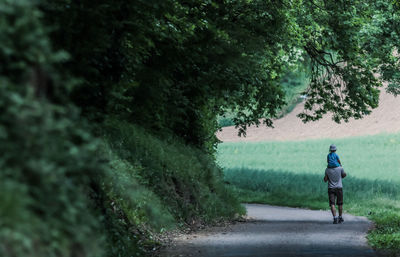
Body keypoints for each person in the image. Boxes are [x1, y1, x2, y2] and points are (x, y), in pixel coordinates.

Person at [324, 144, 346, 224]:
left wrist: (328, 176)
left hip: (331, 188)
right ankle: (340, 217)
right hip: (339, 187)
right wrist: (341, 169)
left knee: (332, 204)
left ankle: (335, 218)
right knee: (340, 203)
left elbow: (325, 180)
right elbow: (344, 175)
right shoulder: (340, 168)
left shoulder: (327, 170)